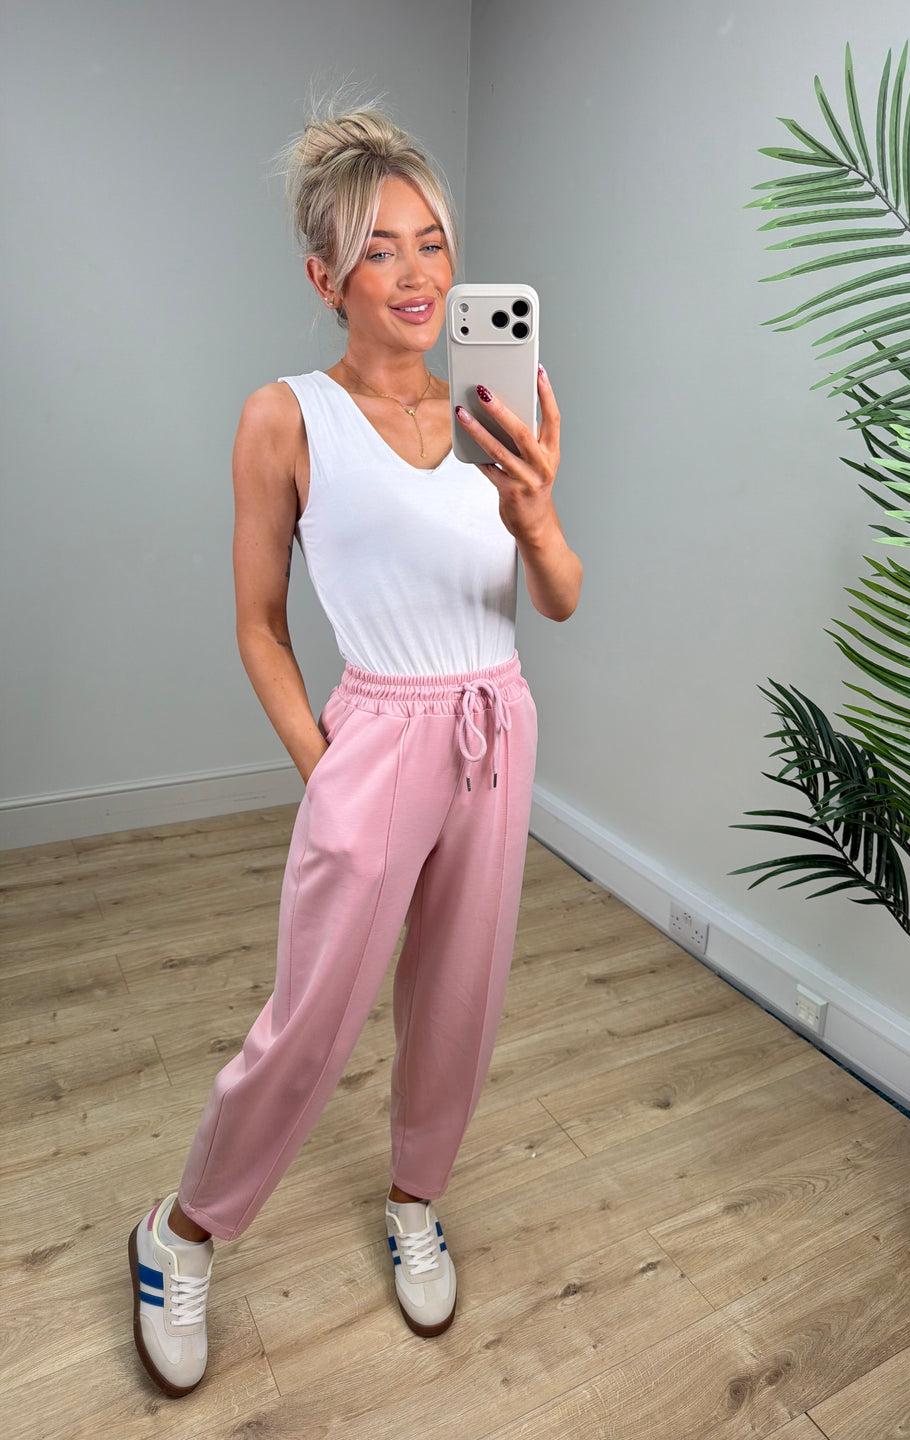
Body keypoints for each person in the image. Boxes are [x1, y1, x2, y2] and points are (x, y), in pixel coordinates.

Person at [127, 105, 581, 1398]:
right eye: (382, 249)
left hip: (497, 722)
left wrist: (537, 512)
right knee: (313, 1015)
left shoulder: (494, 411)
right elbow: (259, 624)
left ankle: (414, 1199)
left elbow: (558, 597)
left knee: (459, 997)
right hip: (376, 731)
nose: (418, 273)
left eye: (433, 243)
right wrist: (324, 763)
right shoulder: (286, 418)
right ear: (325, 276)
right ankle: (182, 1231)